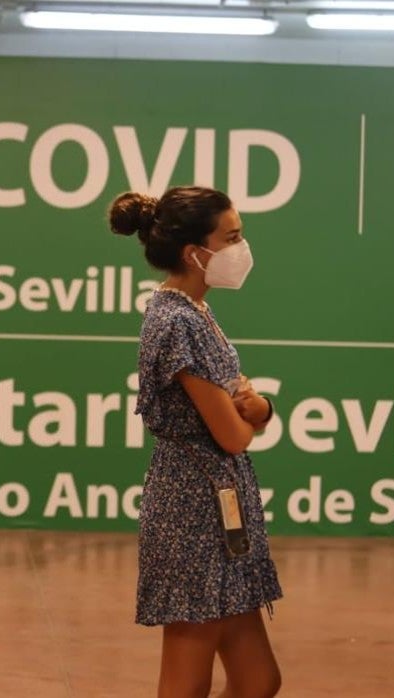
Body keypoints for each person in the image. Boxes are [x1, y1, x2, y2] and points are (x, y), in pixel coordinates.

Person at [109, 186, 282, 698]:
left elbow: (239, 412)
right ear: (194, 253)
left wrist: (257, 409)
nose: (241, 248)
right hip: (193, 514)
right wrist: (258, 412)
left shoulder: (193, 311)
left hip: (221, 509)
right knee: (186, 685)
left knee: (258, 681)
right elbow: (231, 434)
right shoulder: (175, 320)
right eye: (231, 238)